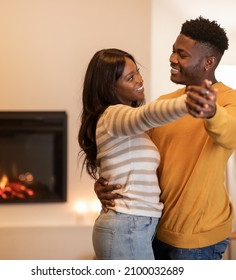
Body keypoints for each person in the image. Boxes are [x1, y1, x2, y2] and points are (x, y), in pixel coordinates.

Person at [94, 16, 236, 260]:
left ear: (208, 62)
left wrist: (211, 111)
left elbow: (229, 134)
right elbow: (134, 154)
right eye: (173, 51)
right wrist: (105, 182)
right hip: (153, 230)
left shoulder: (231, 99)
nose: (172, 59)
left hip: (197, 238)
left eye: (182, 54)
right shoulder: (165, 104)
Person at [77, 48, 213, 260]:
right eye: (130, 78)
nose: (139, 80)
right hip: (127, 225)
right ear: (110, 88)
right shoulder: (113, 115)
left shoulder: (128, 128)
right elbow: (147, 115)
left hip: (133, 225)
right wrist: (186, 103)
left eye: (137, 72)